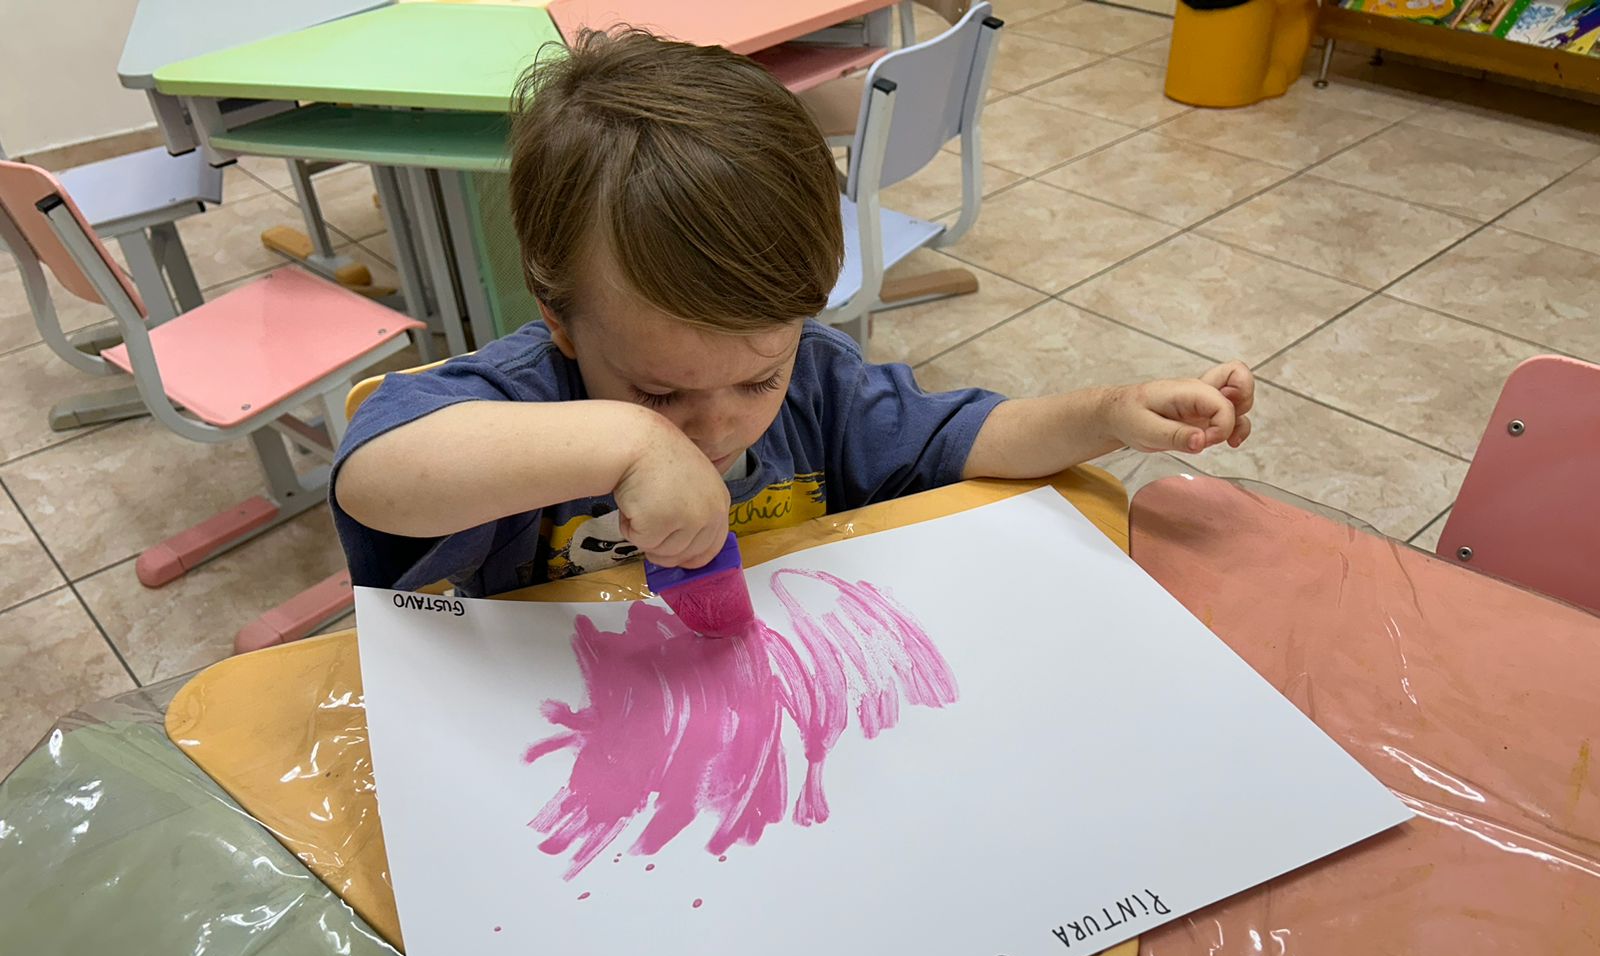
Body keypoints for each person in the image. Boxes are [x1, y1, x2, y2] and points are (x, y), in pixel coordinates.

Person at [333, 29, 1253, 596]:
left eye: (756, 378)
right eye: (661, 393)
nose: (719, 425)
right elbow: (373, 476)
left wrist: (1104, 413)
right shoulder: (524, 400)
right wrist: (625, 441)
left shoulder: (818, 385)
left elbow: (968, 438)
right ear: (563, 320)